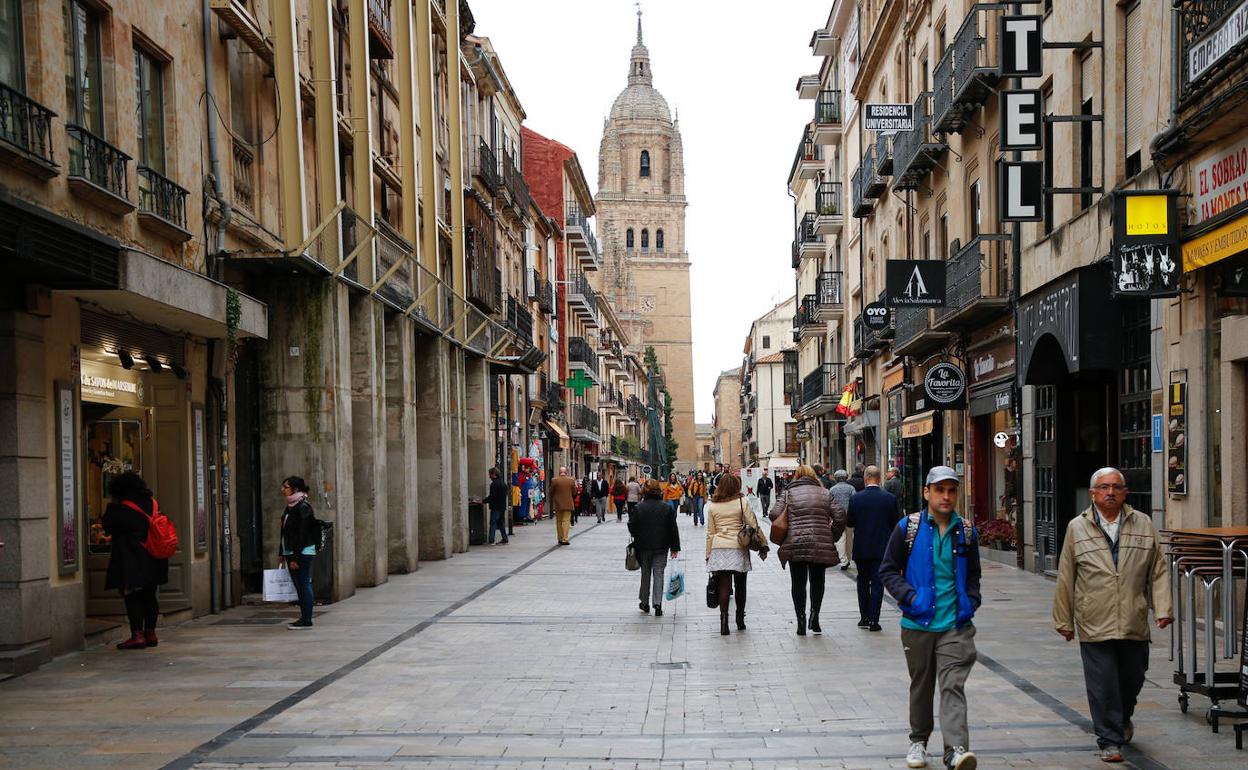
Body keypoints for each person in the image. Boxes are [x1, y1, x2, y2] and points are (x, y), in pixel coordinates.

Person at [1052, 468, 1172, 764]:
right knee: (1103, 683)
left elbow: (1158, 569)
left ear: (1125, 492)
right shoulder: (1076, 528)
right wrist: (1064, 620)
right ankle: (1109, 739)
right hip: (1094, 620)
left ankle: (1122, 717)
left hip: (1133, 618)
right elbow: (1067, 576)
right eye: (1103, 487)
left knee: (1133, 678)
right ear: (1092, 493)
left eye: (1116, 487)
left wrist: (1163, 608)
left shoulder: (1143, 524)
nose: (1110, 492)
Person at [879, 466, 981, 770]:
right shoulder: (907, 528)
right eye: (940, 490)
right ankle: (919, 741)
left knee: (952, 685)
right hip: (917, 624)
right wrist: (910, 597)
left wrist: (971, 600)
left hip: (955, 625)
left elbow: (973, 573)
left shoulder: (966, 530)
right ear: (927, 493)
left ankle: (955, 749)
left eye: (951, 490)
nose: (946, 496)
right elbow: (887, 569)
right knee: (921, 685)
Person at [768, 465, 845, 636]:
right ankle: (815, 617)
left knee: (798, 583)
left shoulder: (788, 493)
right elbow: (840, 516)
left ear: (797, 476)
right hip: (819, 542)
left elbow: (774, 514)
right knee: (818, 581)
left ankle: (800, 622)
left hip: (795, 542)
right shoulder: (825, 492)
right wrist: (831, 536)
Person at [103, 471, 170, 648]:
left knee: (132, 595)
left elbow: (107, 526)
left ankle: (137, 635)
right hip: (154, 556)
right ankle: (151, 633)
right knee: (150, 595)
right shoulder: (152, 503)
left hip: (131, 558)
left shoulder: (121, 508)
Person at [705, 473, 767, 635]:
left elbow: (710, 533)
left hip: (719, 547)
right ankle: (740, 619)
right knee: (740, 585)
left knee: (724, 586)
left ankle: (724, 623)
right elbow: (752, 524)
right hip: (738, 546)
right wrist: (762, 545)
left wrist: (708, 554)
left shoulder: (713, 506)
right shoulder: (742, 501)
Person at [847, 465, 899, 631]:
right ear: (880, 478)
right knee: (877, 583)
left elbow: (850, 522)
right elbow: (894, 523)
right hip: (881, 548)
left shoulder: (856, 499)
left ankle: (864, 617)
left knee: (862, 582)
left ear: (865, 478)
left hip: (861, 547)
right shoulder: (890, 499)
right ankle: (874, 620)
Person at [628, 479, 681, 616]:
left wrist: (637, 534)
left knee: (645, 573)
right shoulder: (666, 508)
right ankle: (657, 604)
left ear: (644, 491)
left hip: (643, 546)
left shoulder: (638, 507)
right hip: (662, 546)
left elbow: (631, 526)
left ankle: (644, 602)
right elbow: (673, 529)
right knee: (659, 573)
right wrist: (675, 548)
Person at [278, 475, 319, 630]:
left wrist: (295, 558)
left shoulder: (303, 507)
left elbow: (301, 535)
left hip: (302, 552)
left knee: (303, 584)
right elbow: (284, 532)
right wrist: (281, 551)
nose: (282, 490)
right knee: (299, 584)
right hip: (291, 551)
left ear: (295, 489)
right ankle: (304, 617)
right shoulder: (290, 506)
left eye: (285, 487)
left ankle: (307, 619)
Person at [830, 470, 856, 572]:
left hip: (837, 517)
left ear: (836, 478)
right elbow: (855, 501)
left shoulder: (832, 489)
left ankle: (843, 560)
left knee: (840, 539)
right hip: (850, 517)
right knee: (850, 538)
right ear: (846, 477)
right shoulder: (851, 488)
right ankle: (849, 558)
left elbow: (830, 504)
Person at [549, 467, 577, 545]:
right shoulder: (571, 481)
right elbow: (574, 492)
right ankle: (565, 538)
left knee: (559, 521)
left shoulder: (554, 480)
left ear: (559, 472)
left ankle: (560, 538)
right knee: (566, 521)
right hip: (568, 504)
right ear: (566, 473)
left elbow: (551, 492)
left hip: (558, 504)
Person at [486, 467, 509, 545]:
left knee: (493, 523)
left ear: (494, 475)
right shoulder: (503, 483)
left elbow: (493, 496)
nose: (489, 476)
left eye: (490, 474)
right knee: (501, 523)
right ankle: (505, 538)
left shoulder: (494, 484)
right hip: (502, 506)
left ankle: (491, 540)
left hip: (496, 507)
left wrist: (484, 501)